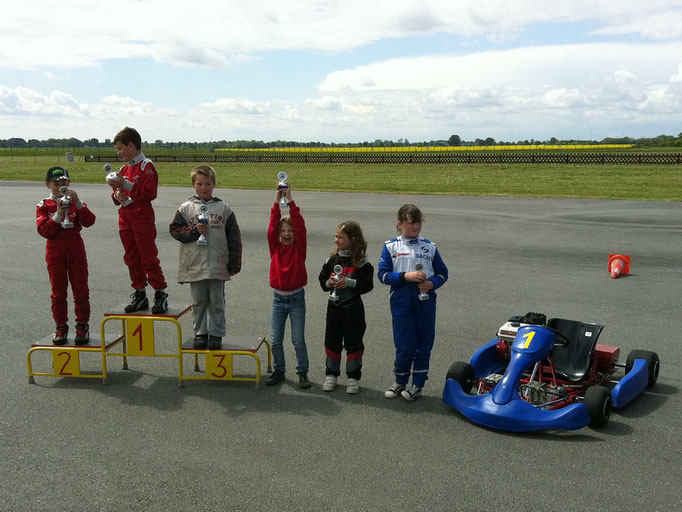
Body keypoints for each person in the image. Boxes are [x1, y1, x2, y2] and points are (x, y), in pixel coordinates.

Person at [378, 204, 448, 401]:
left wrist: (431, 284)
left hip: (425, 301)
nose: (416, 226)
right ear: (400, 224)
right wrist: (405, 276)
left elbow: (443, 274)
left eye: (418, 222)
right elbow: (382, 276)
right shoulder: (390, 246)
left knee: (423, 344)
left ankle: (417, 384)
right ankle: (400, 380)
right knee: (404, 345)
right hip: (401, 300)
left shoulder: (430, 247)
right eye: (411, 223)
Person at [169, 165, 241, 350]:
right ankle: (200, 333)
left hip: (217, 263)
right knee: (198, 301)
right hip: (195, 264)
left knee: (217, 301)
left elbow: (234, 237)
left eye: (208, 183)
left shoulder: (224, 208)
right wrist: (194, 231)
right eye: (199, 183)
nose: (204, 187)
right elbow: (175, 230)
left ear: (214, 184)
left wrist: (234, 262)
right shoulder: (185, 208)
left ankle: (216, 334)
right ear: (193, 184)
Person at [107, 127, 169, 314]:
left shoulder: (146, 166)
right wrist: (117, 194)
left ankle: (160, 293)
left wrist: (124, 184)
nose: (118, 153)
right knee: (131, 258)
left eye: (120, 148)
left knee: (148, 258)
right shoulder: (124, 168)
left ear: (131, 145)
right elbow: (117, 194)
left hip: (142, 218)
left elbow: (150, 193)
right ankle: (140, 293)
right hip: (125, 219)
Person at [36, 166, 96, 345]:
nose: (61, 186)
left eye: (65, 183)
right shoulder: (44, 205)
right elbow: (44, 231)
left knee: (81, 289)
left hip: (75, 247)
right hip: (55, 250)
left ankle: (82, 326)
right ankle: (61, 326)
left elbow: (89, 221)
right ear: (48, 184)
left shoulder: (76, 202)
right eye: (56, 183)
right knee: (58, 291)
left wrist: (77, 202)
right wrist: (58, 215)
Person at [318, 221, 374, 394]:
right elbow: (322, 281)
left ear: (353, 239)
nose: (337, 240)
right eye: (336, 237)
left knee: (354, 343)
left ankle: (353, 377)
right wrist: (330, 282)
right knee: (332, 341)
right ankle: (331, 375)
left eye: (341, 238)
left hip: (353, 309)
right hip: (334, 307)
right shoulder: (331, 260)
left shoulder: (362, 262)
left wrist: (347, 282)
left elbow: (367, 285)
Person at [265, 182, 311, 389]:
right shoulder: (274, 247)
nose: (287, 233)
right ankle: (280, 370)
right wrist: (277, 201)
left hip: (296, 299)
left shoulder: (299, 247)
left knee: (298, 340)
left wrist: (290, 200)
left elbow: (300, 226)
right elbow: (272, 226)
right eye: (283, 230)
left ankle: (302, 373)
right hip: (278, 300)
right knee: (275, 340)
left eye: (290, 230)